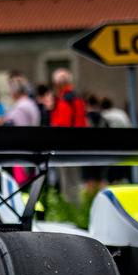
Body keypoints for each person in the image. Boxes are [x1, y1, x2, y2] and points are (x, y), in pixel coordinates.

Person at [50, 68, 87, 202]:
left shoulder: (65, 100)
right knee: (75, 181)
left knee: (68, 183)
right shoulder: (76, 98)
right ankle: (75, 210)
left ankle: (71, 212)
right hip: (77, 143)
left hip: (66, 146)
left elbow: (62, 125)